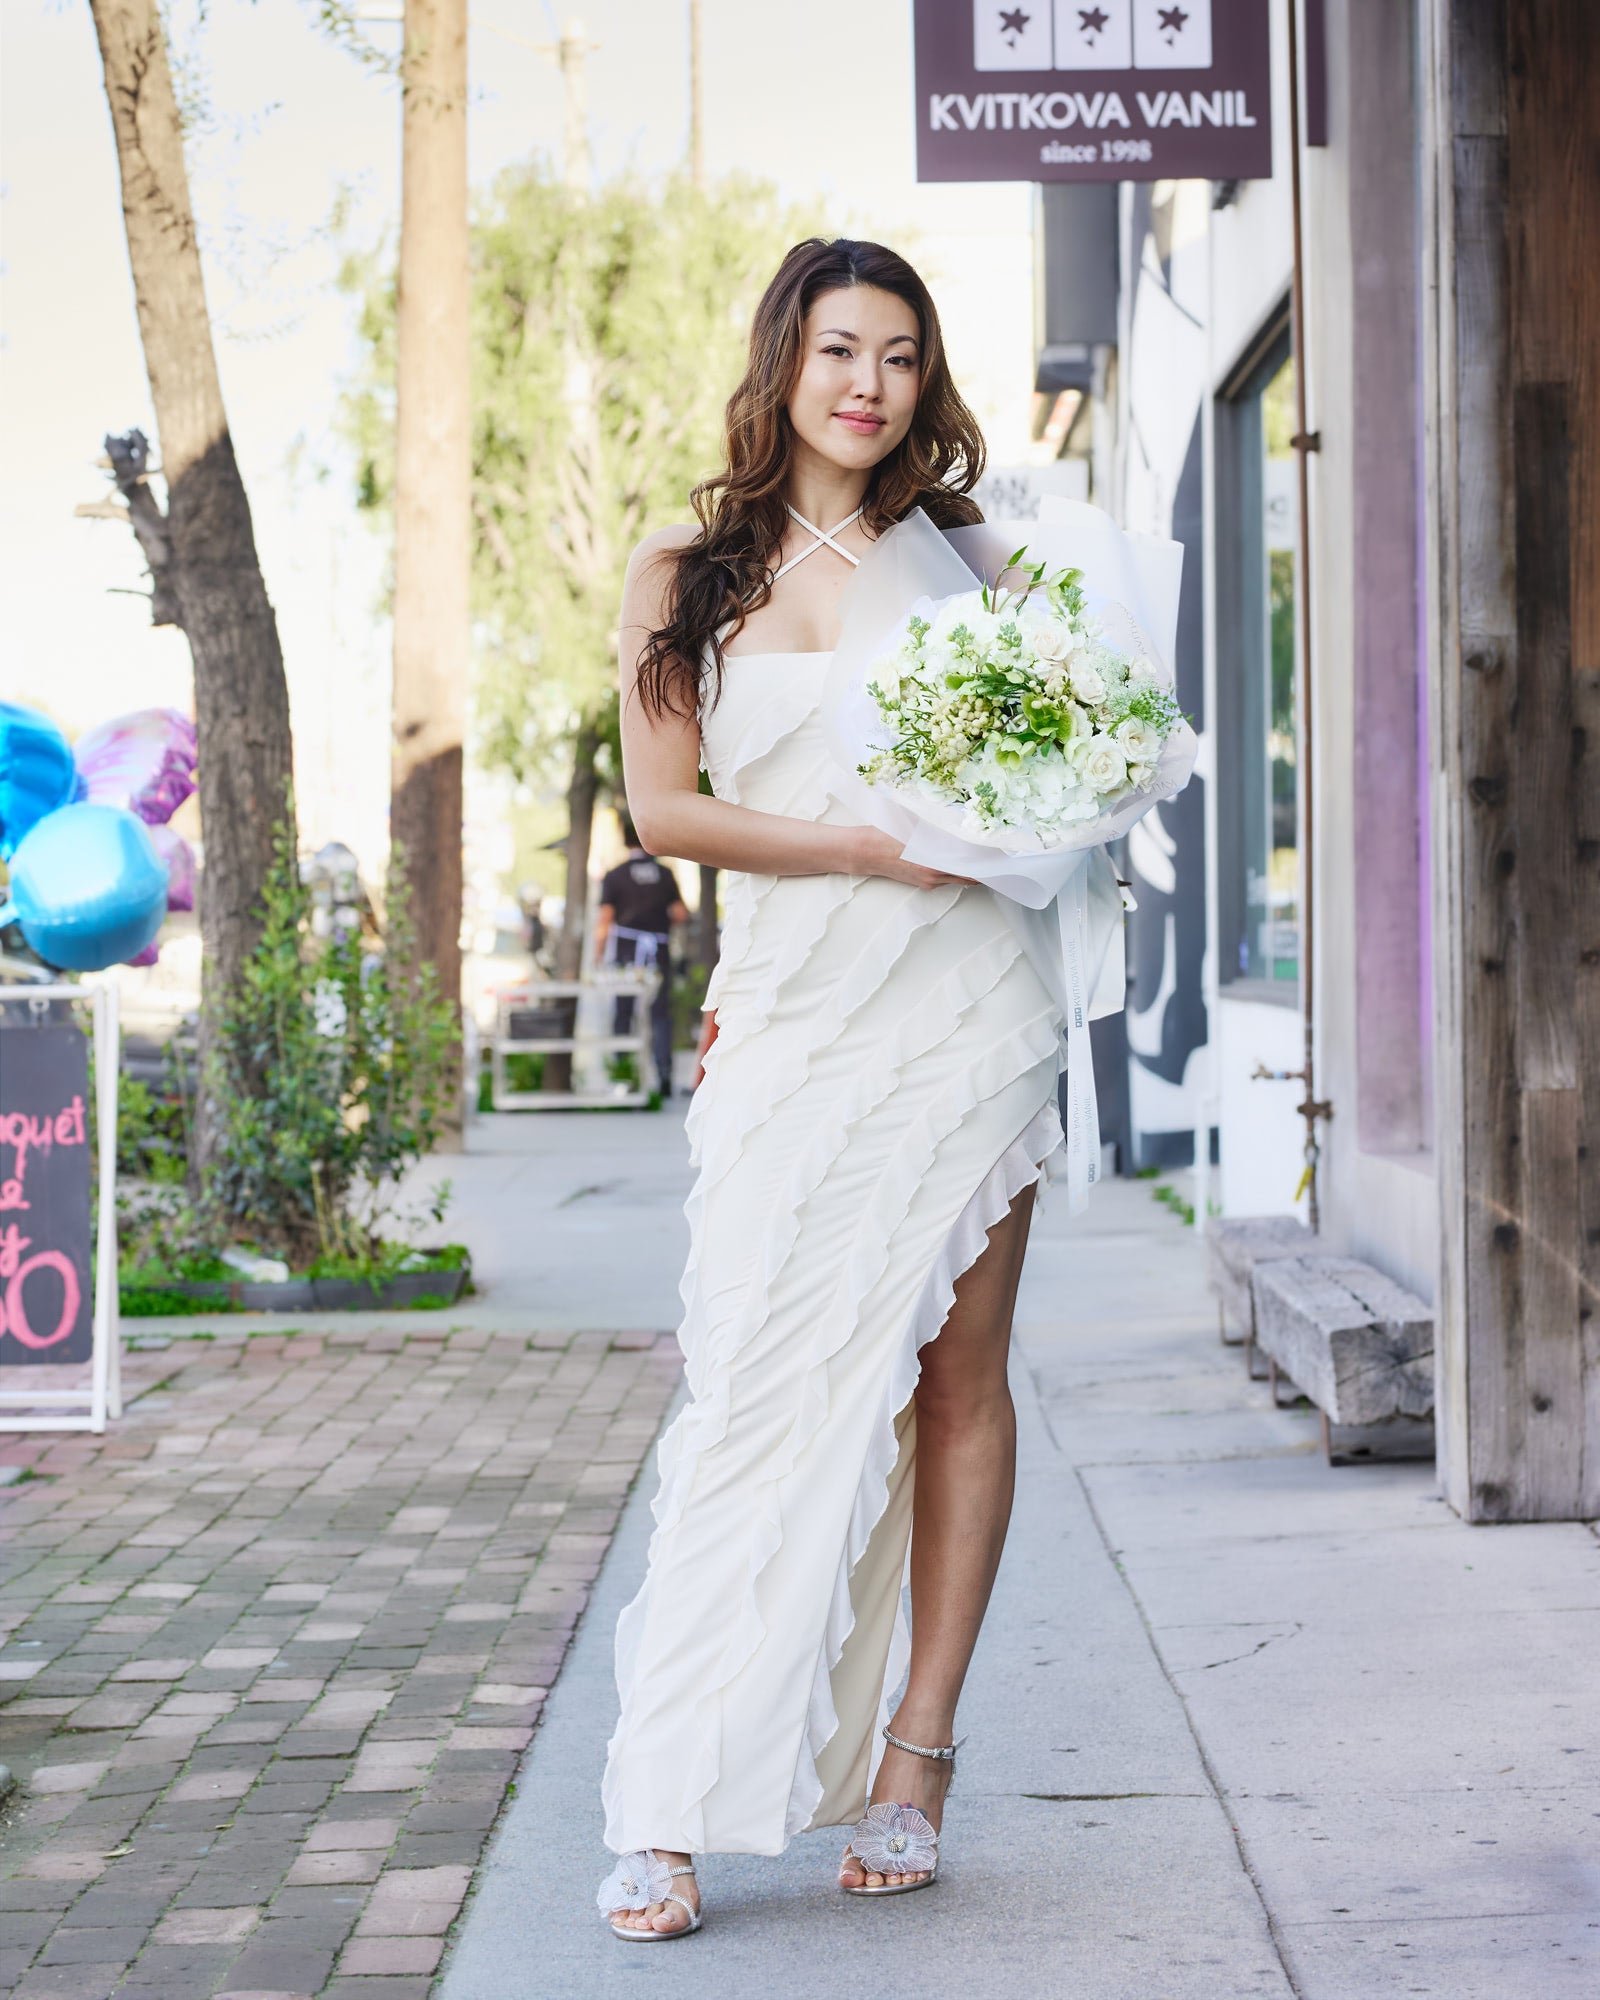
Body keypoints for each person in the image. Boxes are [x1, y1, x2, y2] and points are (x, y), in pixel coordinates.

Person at [597, 238, 1064, 1940]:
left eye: (897, 355)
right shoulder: (683, 565)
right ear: (784, 362)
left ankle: (915, 1759)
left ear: (921, 377)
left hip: (968, 1017)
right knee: (753, 1394)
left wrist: (1034, 806)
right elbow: (665, 811)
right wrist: (864, 846)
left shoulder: (977, 564)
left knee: (958, 1386)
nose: (865, 384)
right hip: (796, 1018)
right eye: (837, 350)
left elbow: (1063, 765)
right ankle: (667, 1802)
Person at [593, 826, 688, 1097]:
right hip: (657, 949)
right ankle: (664, 1073)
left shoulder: (615, 875)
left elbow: (605, 919)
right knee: (660, 1013)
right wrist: (659, 922)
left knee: (623, 1011)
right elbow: (680, 913)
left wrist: (598, 955)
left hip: (626, 952)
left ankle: (623, 1075)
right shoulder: (665, 874)